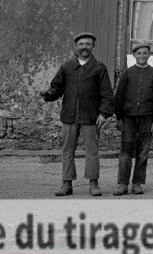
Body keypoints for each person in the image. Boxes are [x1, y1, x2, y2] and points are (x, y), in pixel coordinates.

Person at [40, 32, 114, 197]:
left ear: (93, 47)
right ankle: (66, 183)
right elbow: (56, 87)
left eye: (88, 44)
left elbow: (107, 94)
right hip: (70, 115)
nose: (84, 47)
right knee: (67, 150)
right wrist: (48, 94)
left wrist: (103, 113)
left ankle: (93, 183)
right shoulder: (67, 67)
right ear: (76, 47)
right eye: (81, 44)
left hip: (91, 116)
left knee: (92, 151)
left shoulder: (99, 68)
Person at [111, 40, 153, 195]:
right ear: (134, 55)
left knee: (143, 151)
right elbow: (119, 95)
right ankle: (122, 184)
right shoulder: (127, 73)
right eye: (139, 53)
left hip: (147, 118)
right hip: (128, 118)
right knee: (126, 151)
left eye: (145, 53)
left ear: (149, 55)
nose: (142, 56)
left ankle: (137, 183)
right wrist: (119, 117)